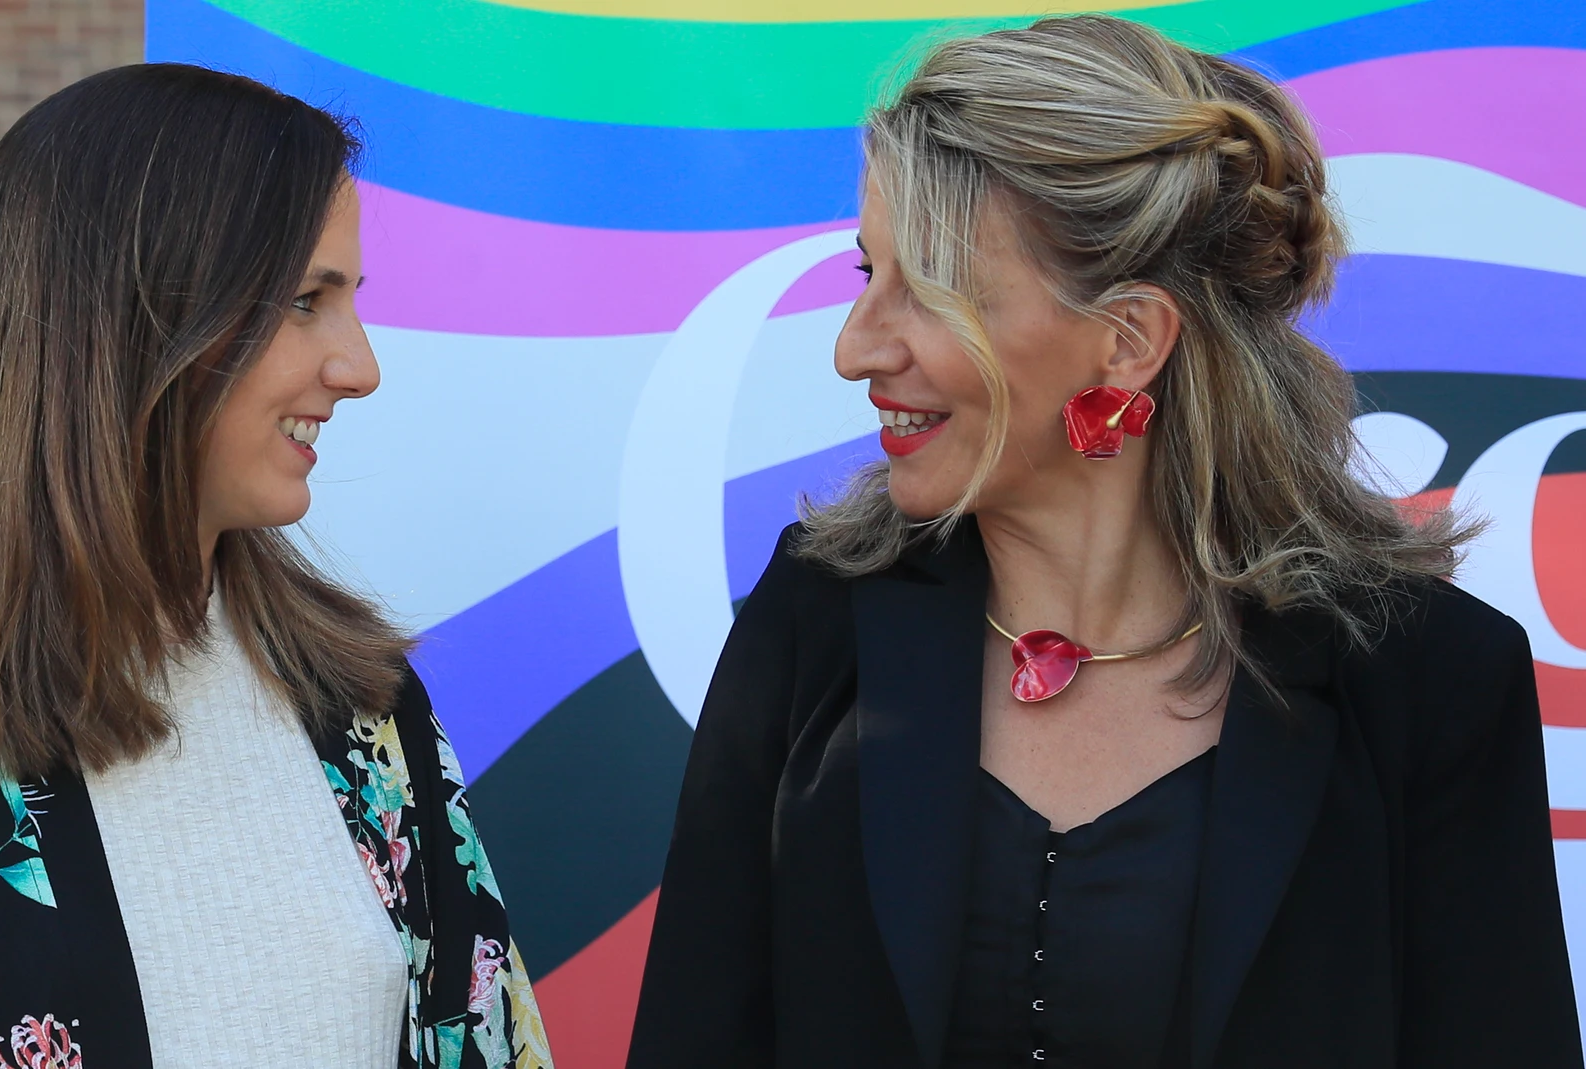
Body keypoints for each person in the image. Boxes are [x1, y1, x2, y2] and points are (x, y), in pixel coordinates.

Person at [628, 15, 1579, 1069]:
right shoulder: (814, 622)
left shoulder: (1427, 680)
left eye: (931, 292)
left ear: (1127, 340)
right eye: (867, 275)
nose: (856, 348)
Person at [0, 64, 548, 1069]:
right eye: (306, 303)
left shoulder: (364, 713)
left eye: (348, 301)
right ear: (140, 320)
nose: (359, 366)